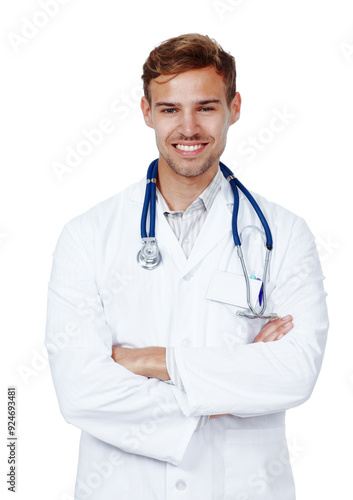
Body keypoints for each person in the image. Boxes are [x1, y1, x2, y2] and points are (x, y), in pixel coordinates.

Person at [45, 33, 329, 500]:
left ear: (235, 107)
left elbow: (294, 373)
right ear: (146, 113)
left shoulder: (283, 234)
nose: (189, 128)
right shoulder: (87, 235)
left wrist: (149, 362)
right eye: (170, 109)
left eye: (206, 107)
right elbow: (80, 391)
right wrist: (231, 386)